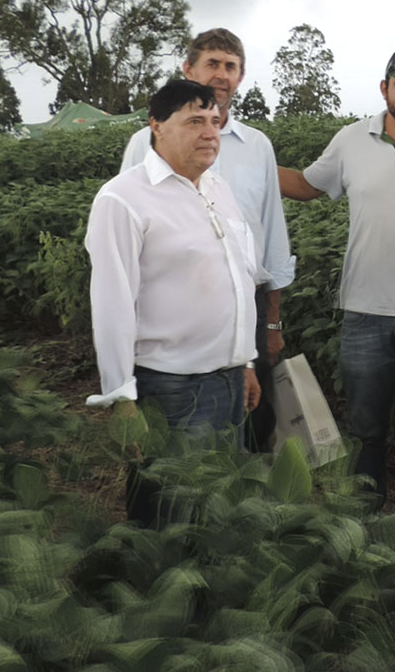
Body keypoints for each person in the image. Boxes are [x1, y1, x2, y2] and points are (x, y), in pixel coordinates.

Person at [278, 49, 395, 507]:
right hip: (364, 310)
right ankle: (364, 518)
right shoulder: (351, 140)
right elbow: (305, 186)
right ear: (385, 89)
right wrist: (242, 158)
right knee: (365, 426)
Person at [86, 79, 261, 523]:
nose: (210, 132)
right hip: (173, 390)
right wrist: (121, 398)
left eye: (215, 121)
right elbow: (112, 302)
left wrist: (248, 362)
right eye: (194, 121)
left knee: (217, 509)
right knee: (168, 514)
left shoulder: (217, 189)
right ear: (156, 126)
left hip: (229, 382)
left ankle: (208, 593)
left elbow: (241, 278)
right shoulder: (123, 199)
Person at [121, 28, 293, 451]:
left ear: (241, 76)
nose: (221, 74)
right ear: (189, 69)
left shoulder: (257, 146)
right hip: (171, 310)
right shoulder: (146, 142)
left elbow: (271, 234)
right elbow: (126, 238)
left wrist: (271, 322)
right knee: (171, 438)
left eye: (230, 67)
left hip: (243, 306)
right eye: (212, 63)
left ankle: (243, 511)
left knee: (248, 424)